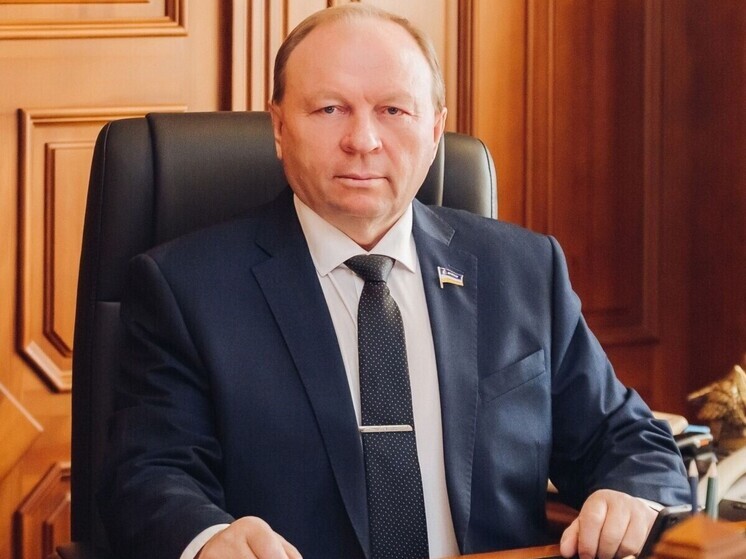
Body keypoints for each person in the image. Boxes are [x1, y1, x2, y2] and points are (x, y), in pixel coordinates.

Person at [99, 4, 689, 559]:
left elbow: (627, 440)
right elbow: (151, 475)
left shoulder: (523, 270)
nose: (363, 140)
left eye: (393, 111)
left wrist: (632, 498)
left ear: (435, 129)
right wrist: (209, 539)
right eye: (330, 109)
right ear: (279, 126)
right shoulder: (186, 288)